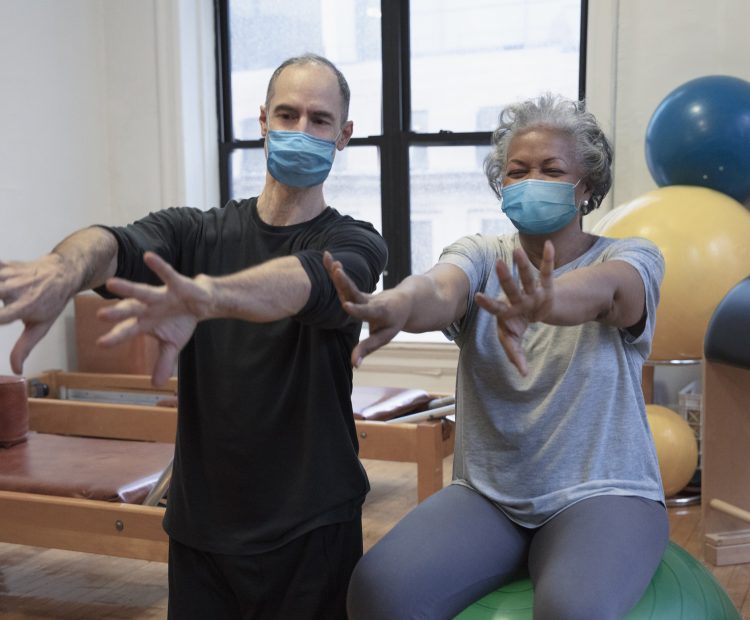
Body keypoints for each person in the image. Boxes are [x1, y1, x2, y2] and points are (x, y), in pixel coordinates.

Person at [0, 54, 387, 619]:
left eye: (319, 120)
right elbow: (115, 242)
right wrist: (64, 269)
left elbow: (312, 279)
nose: (301, 130)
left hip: (311, 528)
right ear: (262, 122)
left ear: (344, 135)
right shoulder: (195, 232)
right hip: (202, 530)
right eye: (287, 114)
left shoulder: (357, 242)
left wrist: (209, 296)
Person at [324, 93, 668, 620]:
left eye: (552, 170)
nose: (531, 180)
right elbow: (440, 289)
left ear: (587, 188)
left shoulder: (630, 256)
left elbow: (612, 293)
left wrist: (546, 300)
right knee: (378, 592)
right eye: (517, 171)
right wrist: (397, 303)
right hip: (490, 498)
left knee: (572, 610)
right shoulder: (485, 257)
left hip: (604, 491)